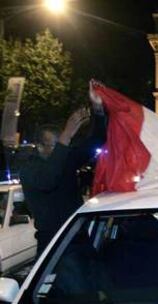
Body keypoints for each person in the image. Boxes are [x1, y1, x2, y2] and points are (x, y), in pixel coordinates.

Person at [20, 81, 106, 257]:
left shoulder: (65, 159)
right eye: (55, 145)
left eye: (63, 143)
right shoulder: (30, 168)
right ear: (39, 146)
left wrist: (98, 108)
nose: (61, 148)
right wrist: (66, 136)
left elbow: (97, 139)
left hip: (77, 238)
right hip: (52, 243)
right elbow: (48, 181)